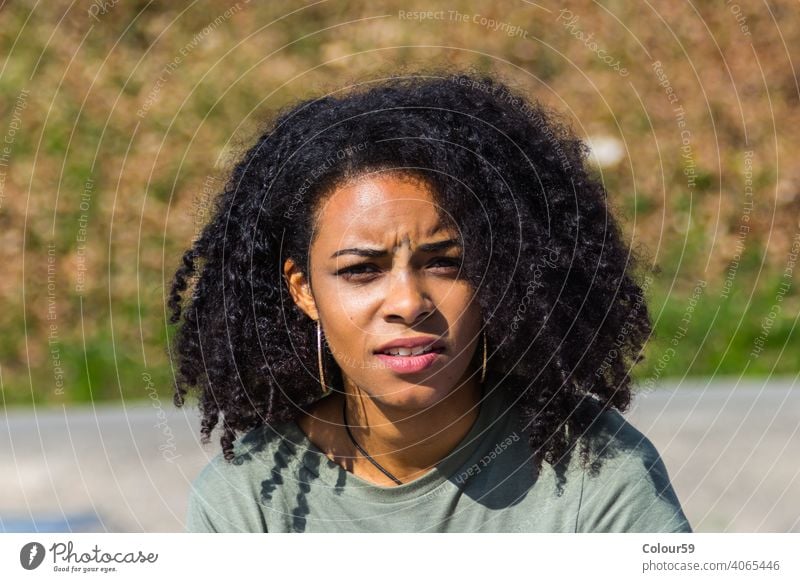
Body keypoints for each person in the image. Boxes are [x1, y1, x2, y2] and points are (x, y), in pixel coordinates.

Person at [168, 68, 692, 533]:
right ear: (304, 291)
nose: (407, 302)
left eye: (445, 263)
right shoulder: (248, 503)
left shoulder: (599, 476)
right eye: (360, 271)